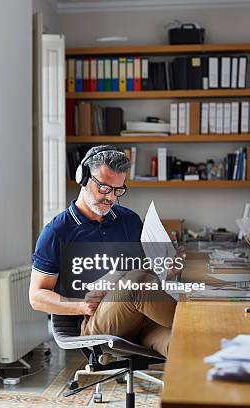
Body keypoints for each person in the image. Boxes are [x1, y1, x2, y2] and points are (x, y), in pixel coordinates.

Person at [28, 145, 183, 357]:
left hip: (143, 320)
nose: (110, 197)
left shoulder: (129, 220)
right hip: (96, 324)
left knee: (187, 344)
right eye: (104, 188)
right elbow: (36, 297)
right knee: (135, 281)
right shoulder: (57, 232)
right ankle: (197, 320)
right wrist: (82, 306)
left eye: (118, 190)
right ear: (83, 178)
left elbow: (148, 274)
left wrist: (166, 270)